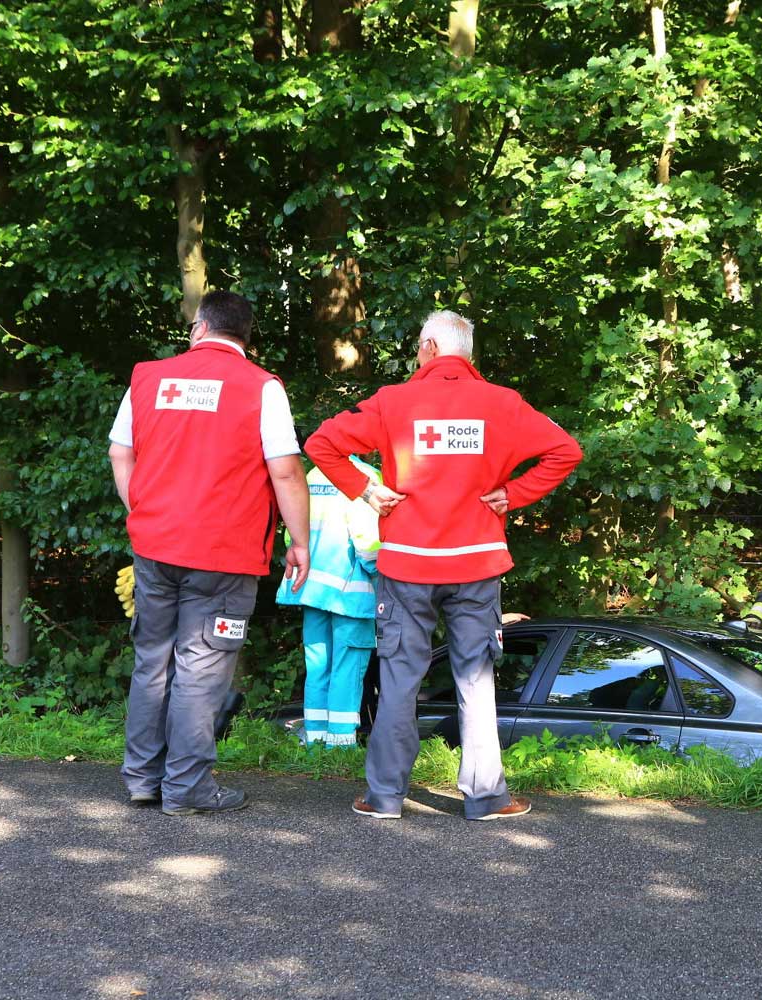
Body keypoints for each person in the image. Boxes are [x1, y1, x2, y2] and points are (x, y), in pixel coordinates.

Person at [305, 310, 582, 821]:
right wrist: (514, 495)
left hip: (406, 566)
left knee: (400, 679)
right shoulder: (503, 404)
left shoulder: (394, 401)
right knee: (475, 681)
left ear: (430, 347)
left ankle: (384, 797)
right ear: (465, 352)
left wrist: (366, 490)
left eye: (417, 344)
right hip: (476, 566)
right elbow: (565, 451)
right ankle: (486, 798)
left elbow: (321, 443)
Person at [107, 290, 310, 816]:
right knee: (202, 668)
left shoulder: (148, 377)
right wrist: (300, 541)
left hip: (155, 548)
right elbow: (285, 470)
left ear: (199, 328)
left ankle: (143, 779)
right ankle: (187, 786)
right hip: (225, 555)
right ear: (245, 337)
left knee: (153, 660)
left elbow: (119, 452)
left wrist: (143, 511)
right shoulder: (261, 388)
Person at [275, 455, 383, 747]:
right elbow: (368, 541)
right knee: (347, 665)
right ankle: (340, 743)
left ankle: (314, 739)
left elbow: (292, 533)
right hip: (351, 591)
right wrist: (382, 574)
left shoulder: (313, 475)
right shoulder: (365, 476)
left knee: (318, 664)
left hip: (311, 587)